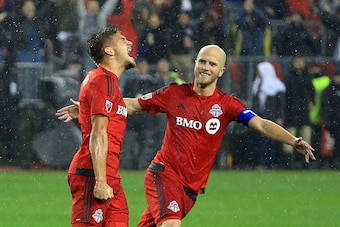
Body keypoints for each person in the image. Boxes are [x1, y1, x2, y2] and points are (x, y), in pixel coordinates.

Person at [58, 44, 316, 227]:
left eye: (212, 64)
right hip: (164, 174)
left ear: (221, 71)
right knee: (171, 225)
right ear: (195, 64)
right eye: (202, 61)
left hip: (190, 191)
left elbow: (260, 125)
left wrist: (292, 140)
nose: (205, 67)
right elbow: (134, 104)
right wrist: (91, 105)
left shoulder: (227, 105)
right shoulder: (174, 93)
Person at [56, 25, 136, 226]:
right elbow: (99, 134)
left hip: (110, 177)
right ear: (109, 51)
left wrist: (85, 108)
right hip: (92, 175)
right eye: (122, 40)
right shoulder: (103, 81)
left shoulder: (107, 84)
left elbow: (129, 105)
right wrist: (100, 181)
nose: (130, 43)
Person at [251, 62, 286, 169]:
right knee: (261, 141)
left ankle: (270, 163)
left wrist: (280, 116)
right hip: (260, 117)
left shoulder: (277, 86)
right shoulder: (257, 84)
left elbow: (281, 104)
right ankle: (261, 163)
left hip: (272, 117)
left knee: (271, 141)